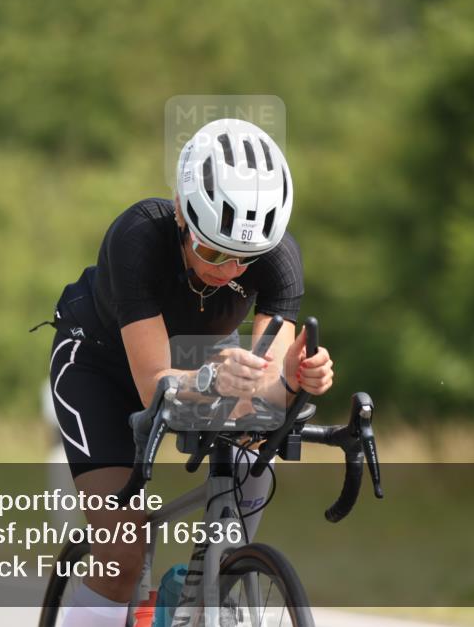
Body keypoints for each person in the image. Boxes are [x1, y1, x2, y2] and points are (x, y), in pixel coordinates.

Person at [43, 119, 334, 626]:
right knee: (122, 555)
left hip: (199, 367)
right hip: (99, 368)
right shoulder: (137, 237)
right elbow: (154, 384)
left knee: (250, 457)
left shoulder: (279, 259)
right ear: (181, 213)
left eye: (245, 259)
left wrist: (294, 380)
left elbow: (264, 396)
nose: (228, 271)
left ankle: (204, 596)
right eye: (213, 251)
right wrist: (211, 379)